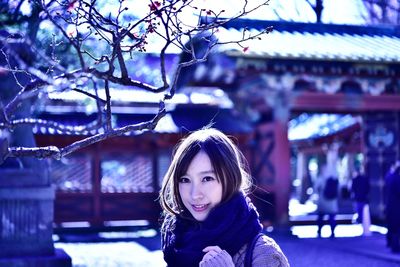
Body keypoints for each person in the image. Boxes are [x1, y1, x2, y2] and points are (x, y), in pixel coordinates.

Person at [159, 128, 289, 267]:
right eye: (185, 180)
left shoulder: (265, 253)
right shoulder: (176, 243)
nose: (194, 194)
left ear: (231, 179)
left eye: (207, 178)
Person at [315, 164, 339, 238]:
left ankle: (319, 230)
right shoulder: (334, 178)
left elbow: (316, 188)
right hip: (332, 201)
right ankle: (332, 231)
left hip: (323, 200)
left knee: (321, 216)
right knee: (332, 217)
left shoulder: (321, 178)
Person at [385, 161, 400, 253]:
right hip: (396, 207)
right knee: (396, 227)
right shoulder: (397, 179)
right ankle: (395, 246)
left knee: (392, 226)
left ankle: (391, 243)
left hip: (390, 206)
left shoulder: (389, 177)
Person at [350, 168, 370, 234]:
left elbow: (352, 189)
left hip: (358, 198)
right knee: (363, 211)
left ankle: (361, 222)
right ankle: (363, 223)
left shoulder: (355, 180)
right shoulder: (365, 179)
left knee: (359, 210)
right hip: (363, 198)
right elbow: (368, 188)